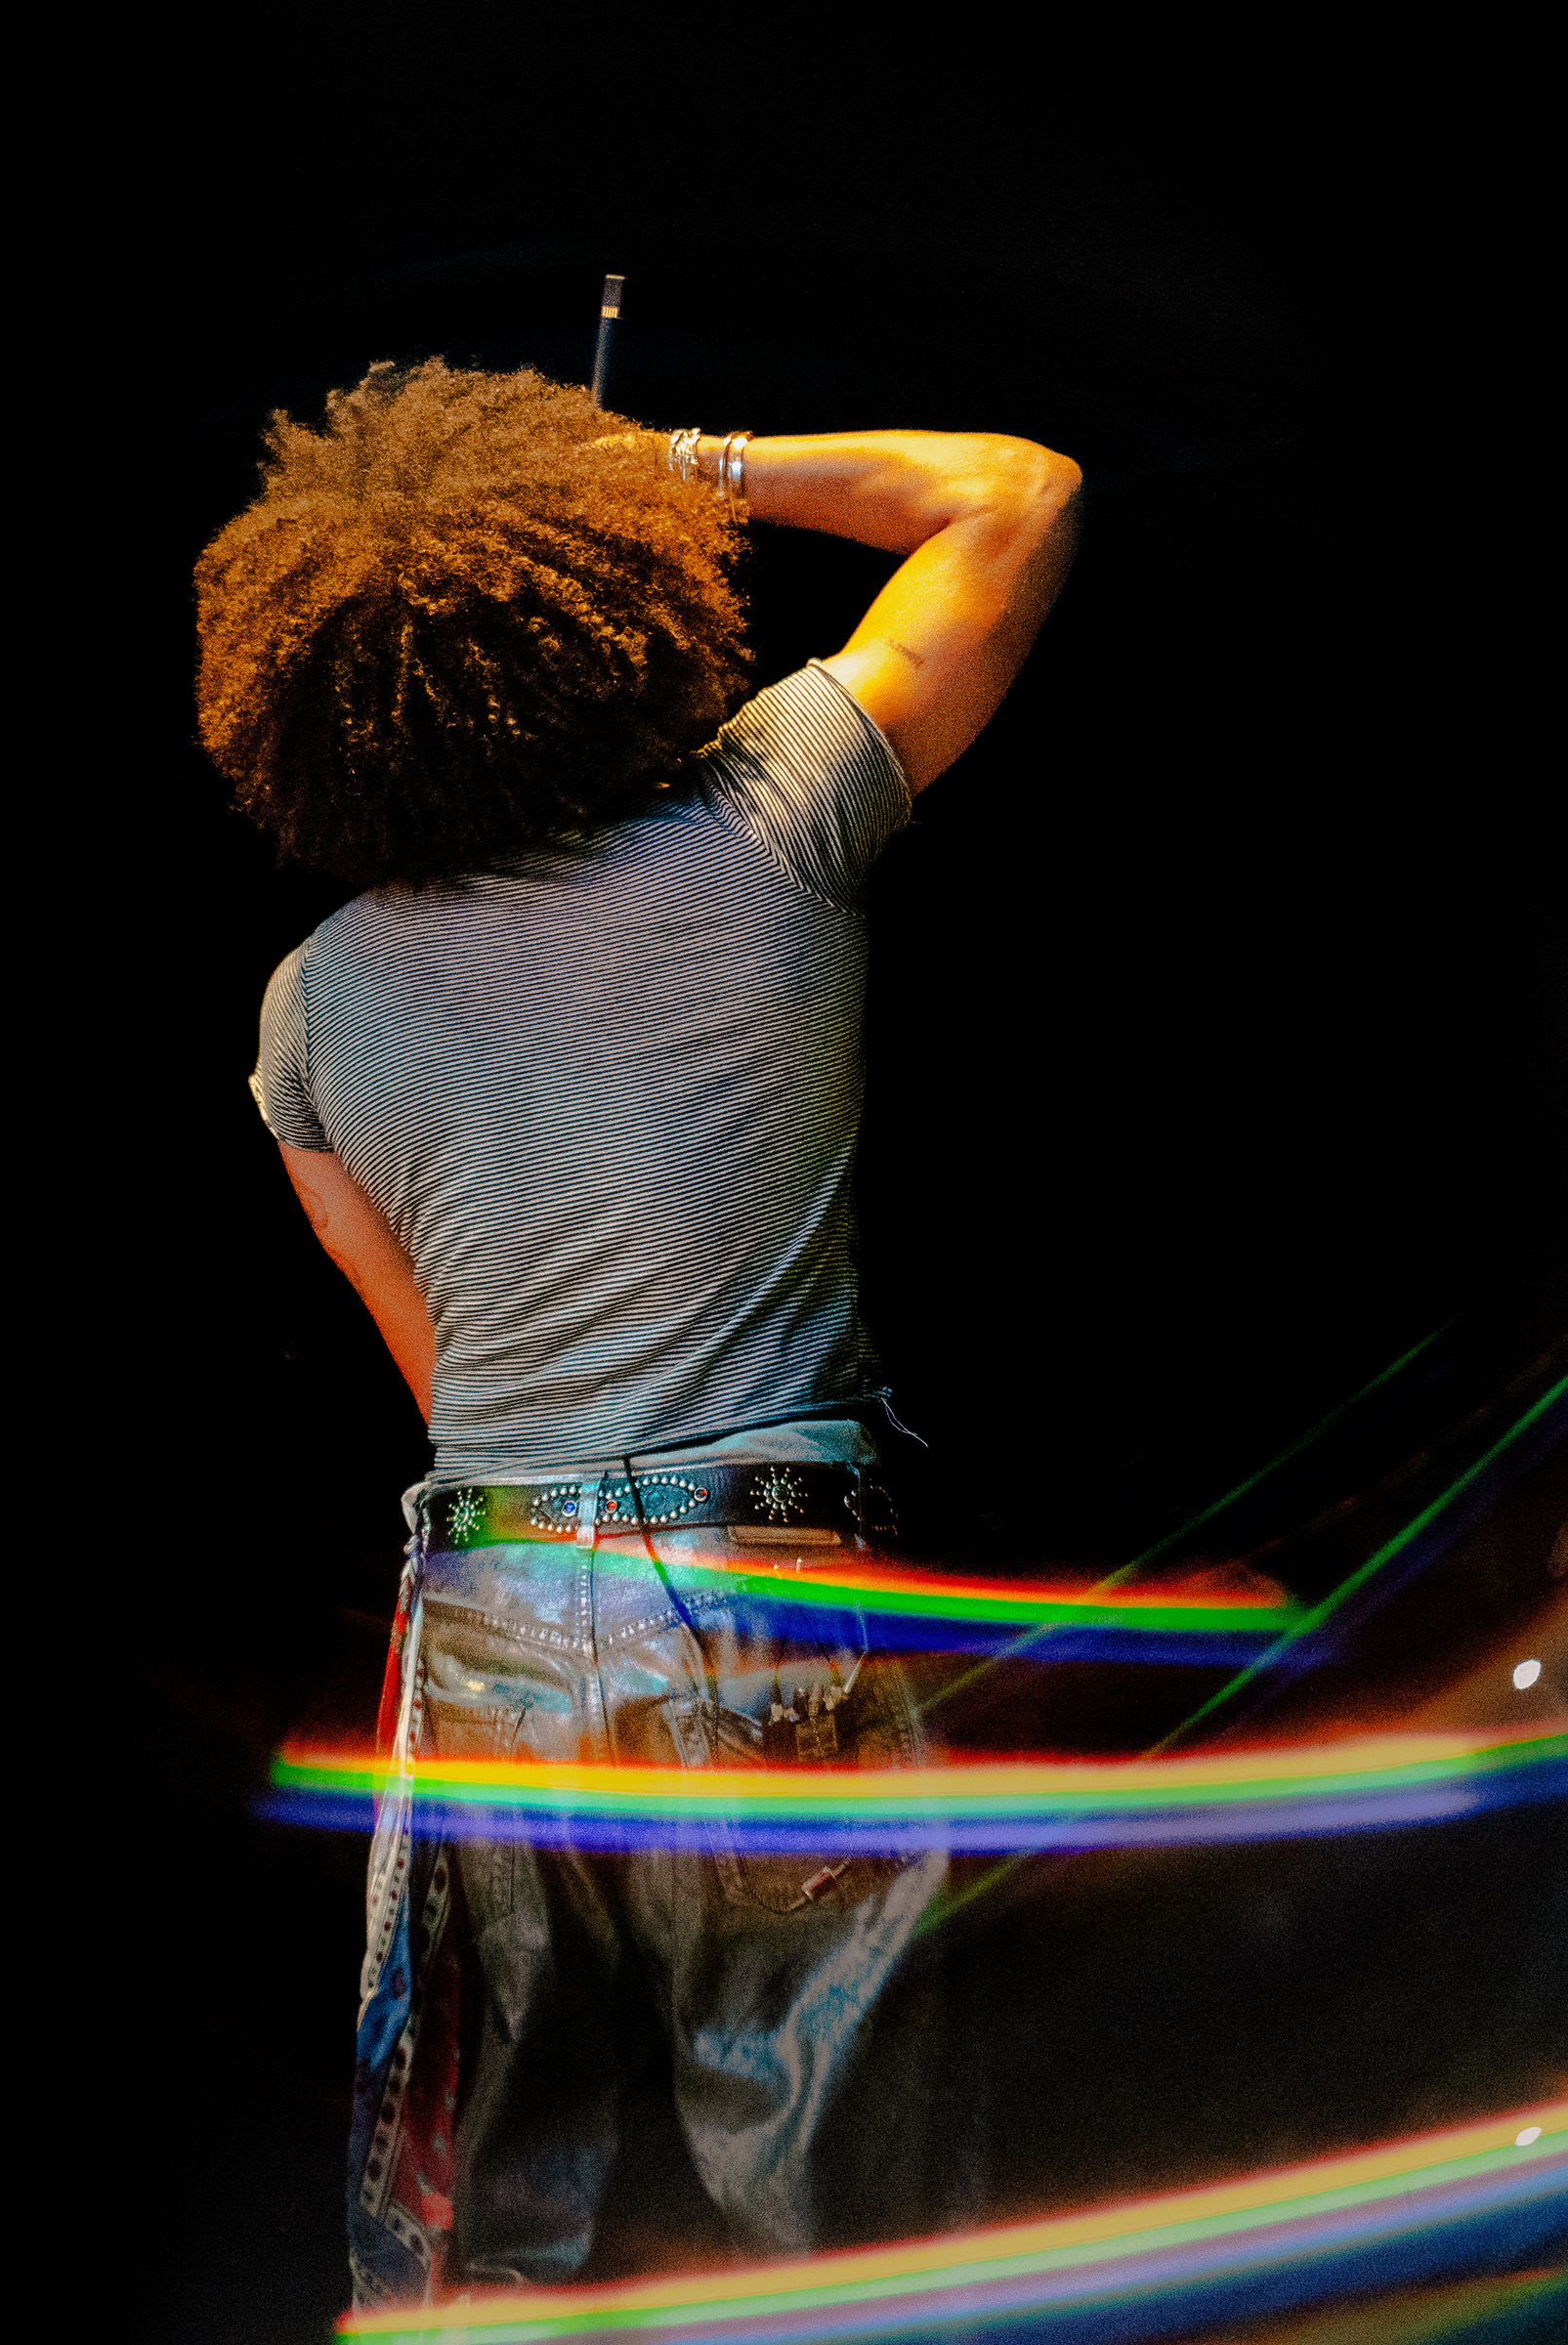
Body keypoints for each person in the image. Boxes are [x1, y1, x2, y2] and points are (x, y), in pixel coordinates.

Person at [196, 360, 1081, 2305]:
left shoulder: (309, 1007)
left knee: (494, 2232)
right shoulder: (775, 805)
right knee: (837, 2214)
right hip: (756, 1599)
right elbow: (1014, 495)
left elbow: (448, 1378)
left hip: (491, 1612)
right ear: (608, 600)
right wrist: (681, 461)